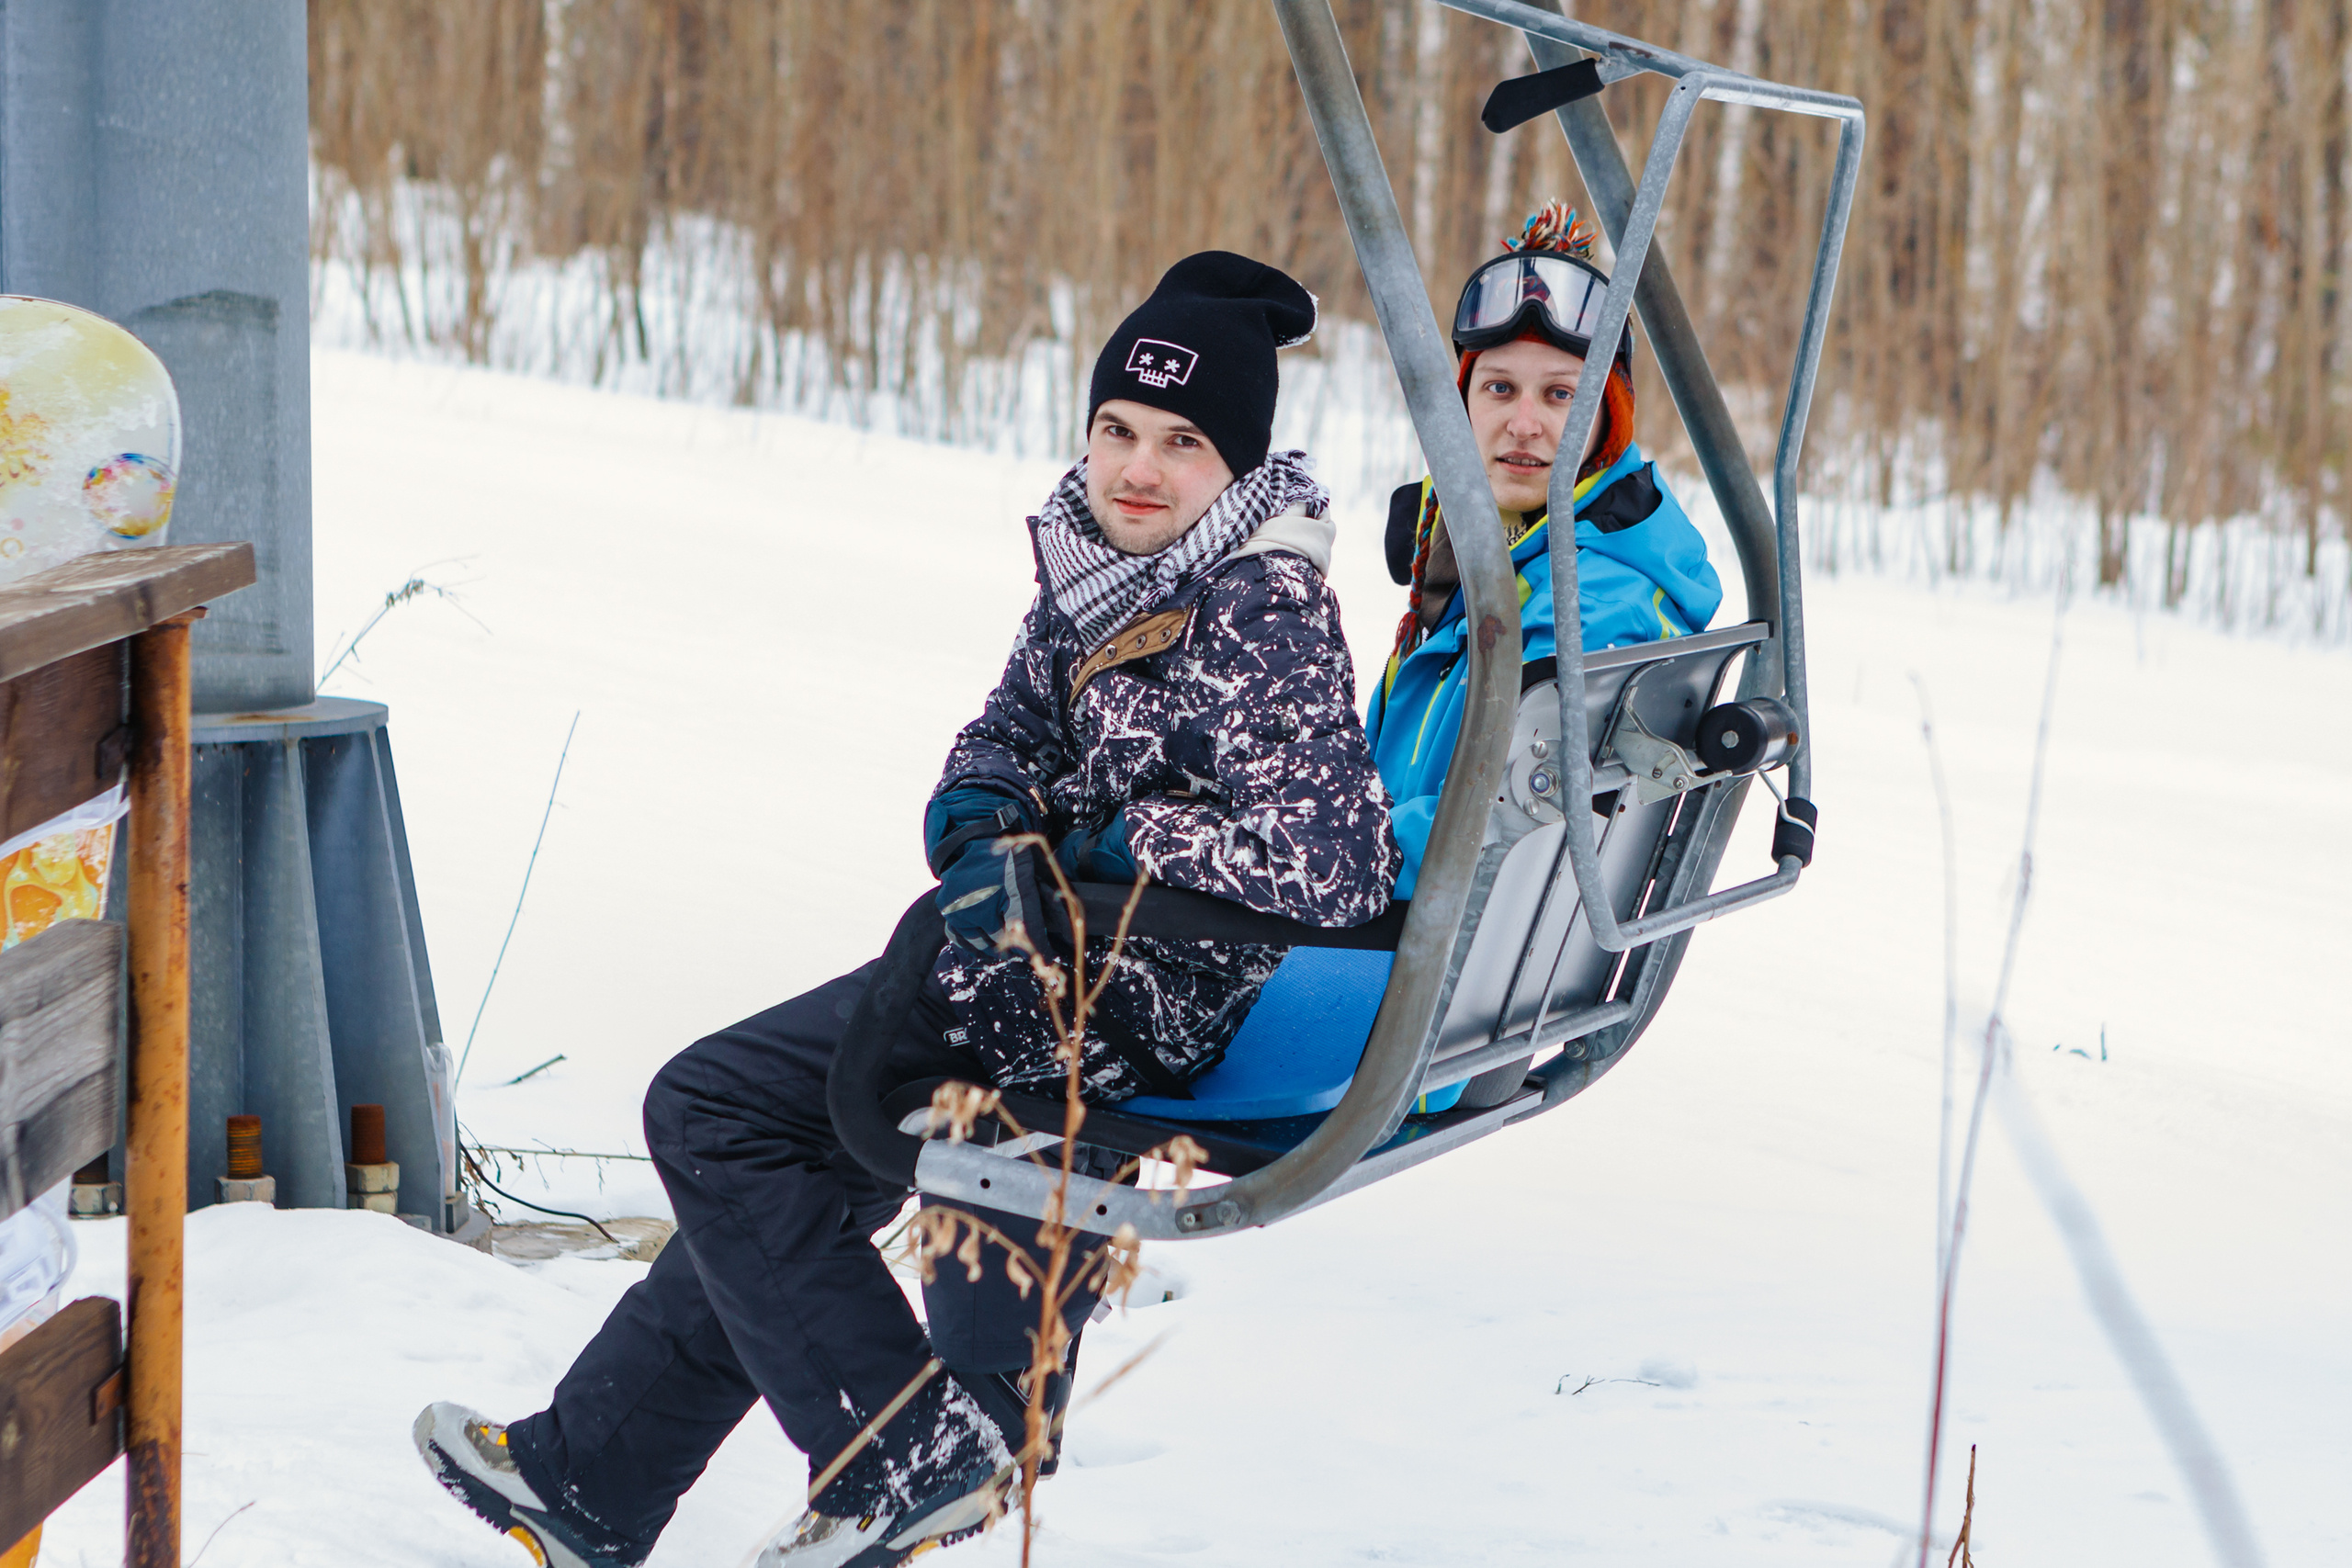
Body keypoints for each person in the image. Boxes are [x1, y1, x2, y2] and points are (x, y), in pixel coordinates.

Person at [413, 251, 1399, 1568]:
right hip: (1059, 961)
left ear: (1239, 466)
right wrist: (984, 811)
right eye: (1116, 428)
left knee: (716, 1107)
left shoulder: (1255, 599)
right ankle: (592, 1470)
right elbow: (1006, 728)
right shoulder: (1101, 565)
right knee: (776, 1134)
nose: (1137, 468)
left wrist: (1104, 845)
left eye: (1180, 440)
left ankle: (899, 1448)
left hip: (1134, 988)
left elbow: (1331, 860)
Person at [1370, 203, 1724, 898]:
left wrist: (1298, 852)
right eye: (1499, 387)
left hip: (1407, 956)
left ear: (1606, 423)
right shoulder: (1468, 566)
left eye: (1560, 395)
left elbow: (1487, 832)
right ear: (1462, 402)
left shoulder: (1597, 603)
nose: (1524, 424)